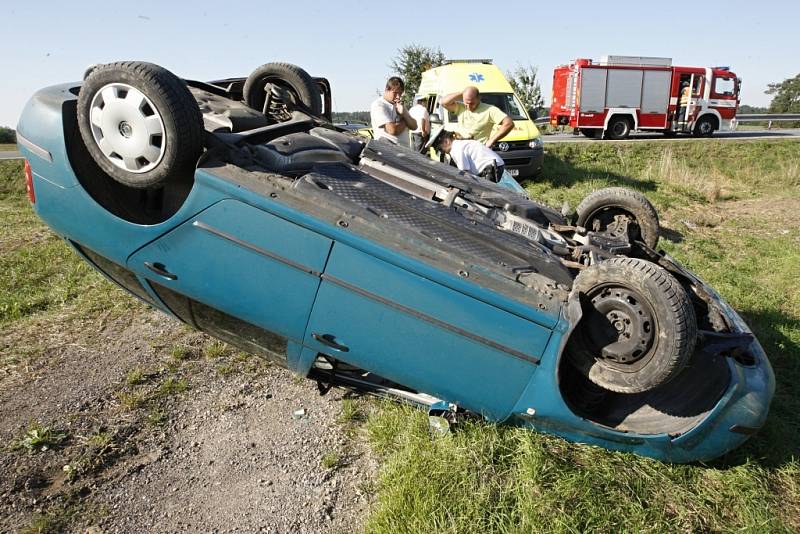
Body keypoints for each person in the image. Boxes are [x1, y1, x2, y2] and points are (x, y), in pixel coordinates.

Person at [440, 86, 513, 147]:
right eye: (466, 103)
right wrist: (463, 92)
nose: (469, 106)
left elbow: (509, 123)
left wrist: (491, 141)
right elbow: (443, 102)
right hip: (460, 149)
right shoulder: (460, 107)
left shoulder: (490, 110)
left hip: (478, 151)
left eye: (472, 103)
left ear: (478, 98)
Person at [433, 130, 505, 182]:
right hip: (495, 166)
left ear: (446, 141)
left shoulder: (456, 149)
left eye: (440, 149)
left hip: (491, 169)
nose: (442, 152)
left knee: (485, 196)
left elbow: (464, 172)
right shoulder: (459, 144)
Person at [370, 77, 417, 146]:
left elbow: (414, 126)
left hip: (402, 151)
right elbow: (392, 130)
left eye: (400, 93)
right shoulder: (379, 105)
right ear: (386, 90)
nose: (398, 97)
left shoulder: (399, 105)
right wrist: (405, 119)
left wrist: (404, 114)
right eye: (395, 93)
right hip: (388, 151)